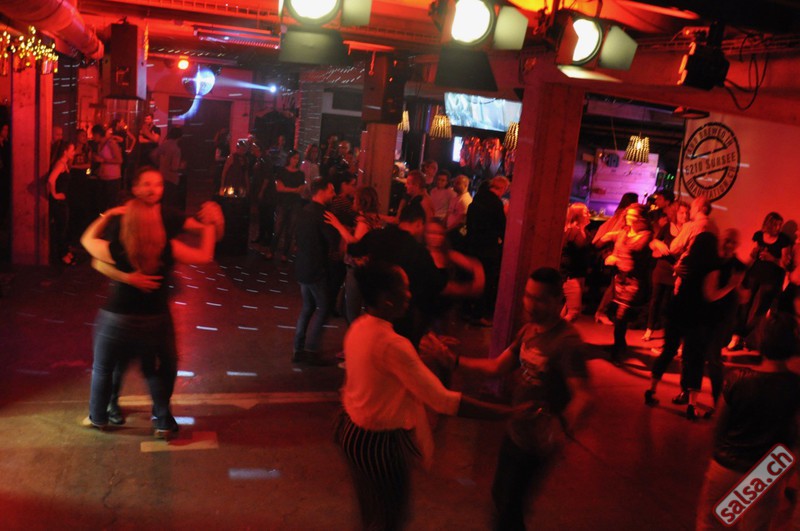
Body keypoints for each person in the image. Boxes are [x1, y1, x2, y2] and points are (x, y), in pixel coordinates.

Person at [335, 261, 523, 531]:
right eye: (404, 289)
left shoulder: (360, 326)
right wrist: (507, 413)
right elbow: (443, 400)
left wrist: (425, 358)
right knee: (389, 518)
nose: (409, 294)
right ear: (387, 300)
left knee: (371, 511)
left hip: (352, 433)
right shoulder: (393, 344)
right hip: (377, 444)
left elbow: (385, 370)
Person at [79, 168, 219, 437]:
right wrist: (211, 225)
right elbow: (205, 255)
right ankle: (162, 422)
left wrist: (108, 215)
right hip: (154, 318)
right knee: (154, 371)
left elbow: (87, 243)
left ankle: (99, 417)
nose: (153, 190)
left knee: (104, 368)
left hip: (117, 316)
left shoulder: (119, 245)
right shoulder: (168, 247)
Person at [453, 267, 591, 531]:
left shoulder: (567, 342)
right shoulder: (529, 330)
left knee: (509, 510)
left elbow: (584, 396)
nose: (530, 304)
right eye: (528, 296)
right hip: (516, 429)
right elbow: (498, 367)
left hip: (536, 443)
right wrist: (455, 361)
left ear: (557, 301)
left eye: (539, 299)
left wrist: (562, 429)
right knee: (502, 499)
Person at [695, 313, 800, 530]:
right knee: (754, 526)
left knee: (713, 524)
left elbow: (719, 426)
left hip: (728, 463)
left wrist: (714, 454)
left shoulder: (738, 379)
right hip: (767, 469)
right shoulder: (795, 386)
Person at [645, 232, 720, 419]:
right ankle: (692, 405)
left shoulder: (687, 260)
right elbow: (709, 293)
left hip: (677, 309)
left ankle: (651, 389)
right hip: (697, 314)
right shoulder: (713, 266)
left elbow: (678, 280)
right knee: (695, 358)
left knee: (668, 351)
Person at [728, 212, 792, 352]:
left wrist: (772, 258)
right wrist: (751, 257)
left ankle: (748, 338)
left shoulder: (783, 240)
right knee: (744, 306)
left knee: (759, 310)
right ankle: (736, 336)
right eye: (775, 224)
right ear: (768, 224)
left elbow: (785, 265)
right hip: (754, 274)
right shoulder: (759, 236)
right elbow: (752, 256)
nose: (778, 228)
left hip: (771, 279)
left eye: (780, 225)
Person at [598, 204, 653, 364]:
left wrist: (616, 258)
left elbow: (633, 251)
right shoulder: (624, 232)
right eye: (628, 214)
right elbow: (615, 249)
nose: (629, 218)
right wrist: (609, 251)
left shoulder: (645, 236)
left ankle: (617, 351)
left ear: (641, 218)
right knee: (618, 316)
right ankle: (620, 345)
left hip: (634, 281)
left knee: (622, 315)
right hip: (620, 279)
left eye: (633, 215)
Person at [292, 177, 338, 365]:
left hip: (302, 266)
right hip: (316, 268)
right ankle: (311, 349)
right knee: (324, 307)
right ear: (322, 191)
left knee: (308, 307)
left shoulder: (304, 211)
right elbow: (333, 241)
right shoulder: (323, 214)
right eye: (331, 190)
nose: (334, 194)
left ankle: (298, 348)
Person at [701, 228, 747, 415]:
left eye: (732, 242)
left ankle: (716, 401)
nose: (728, 245)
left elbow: (742, 296)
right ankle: (689, 392)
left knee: (713, 358)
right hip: (705, 312)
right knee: (697, 354)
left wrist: (736, 288)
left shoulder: (738, 266)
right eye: (726, 240)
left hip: (722, 316)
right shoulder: (713, 261)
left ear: (736, 245)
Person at [325, 185, 384, 324]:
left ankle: (356, 334)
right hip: (367, 266)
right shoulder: (374, 218)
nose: (353, 201)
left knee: (352, 311)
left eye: (355, 199)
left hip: (356, 267)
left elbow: (355, 243)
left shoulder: (363, 221)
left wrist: (337, 225)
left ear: (361, 201)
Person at [642, 201, 689, 341]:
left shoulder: (689, 229)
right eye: (681, 212)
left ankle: (667, 334)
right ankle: (649, 329)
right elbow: (652, 244)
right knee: (655, 300)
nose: (685, 215)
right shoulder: (667, 227)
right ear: (675, 213)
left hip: (677, 271)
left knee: (670, 304)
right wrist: (657, 243)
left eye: (687, 213)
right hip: (662, 269)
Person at [466, 178, 507, 326]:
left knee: (473, 277)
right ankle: (478, 314)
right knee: (486, 281)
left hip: (472, 244)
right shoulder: (496, 204)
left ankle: (466, 310)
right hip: (488, 248)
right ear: (502, 189)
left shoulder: (477, 198)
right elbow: (502, 226)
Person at [560, 202, 592, 322]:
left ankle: (555, 331)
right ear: (577, 215)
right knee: (573, 312)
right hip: (570, 275)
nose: (589, 214)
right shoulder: (572, 232)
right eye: (585, 213)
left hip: (578, 274)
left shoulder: (583, 232)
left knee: (567, 308)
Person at [272, 149, 306, 262]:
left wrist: (287, 189)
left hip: (295, 203)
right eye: (294, 158)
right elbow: (279, 188)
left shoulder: (300, 174)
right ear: (289, 158)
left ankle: (285, 253)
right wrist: (294, 190)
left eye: (297, 158)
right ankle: (272, 250)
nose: (295, 160)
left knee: (290, 229)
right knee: (278, 227)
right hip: (283, 202)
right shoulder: (282, 171)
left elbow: (301, 189)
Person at [48, 142, 76, 266]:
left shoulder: (64, 164)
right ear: (65, 151)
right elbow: (51, 180)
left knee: (63, 227)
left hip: (62, 201)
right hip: (59, 202)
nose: (74, 152)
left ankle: (64, 252)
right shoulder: (60, 164)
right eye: (72, 150)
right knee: (61, 228)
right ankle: (62, 255)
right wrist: (55, 194)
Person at [150, 127, 184, 209]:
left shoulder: (164, 145)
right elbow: (174, 167)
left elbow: (153, 154)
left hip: (161, 176)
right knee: (169, 203)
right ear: (179, 137)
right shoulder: (176, 149)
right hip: (171, 179)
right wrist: (181, 165)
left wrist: (158, 164)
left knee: (160, 202)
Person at [93, 125, 123, 212]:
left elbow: (119, 160)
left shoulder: (111, 143)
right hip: (103, 177)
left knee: (112, 203)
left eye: (94, 135)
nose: (93, 137)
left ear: (98, 134)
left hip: (113, 178)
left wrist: (103, 160)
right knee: (102, 203)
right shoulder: (99, 145)